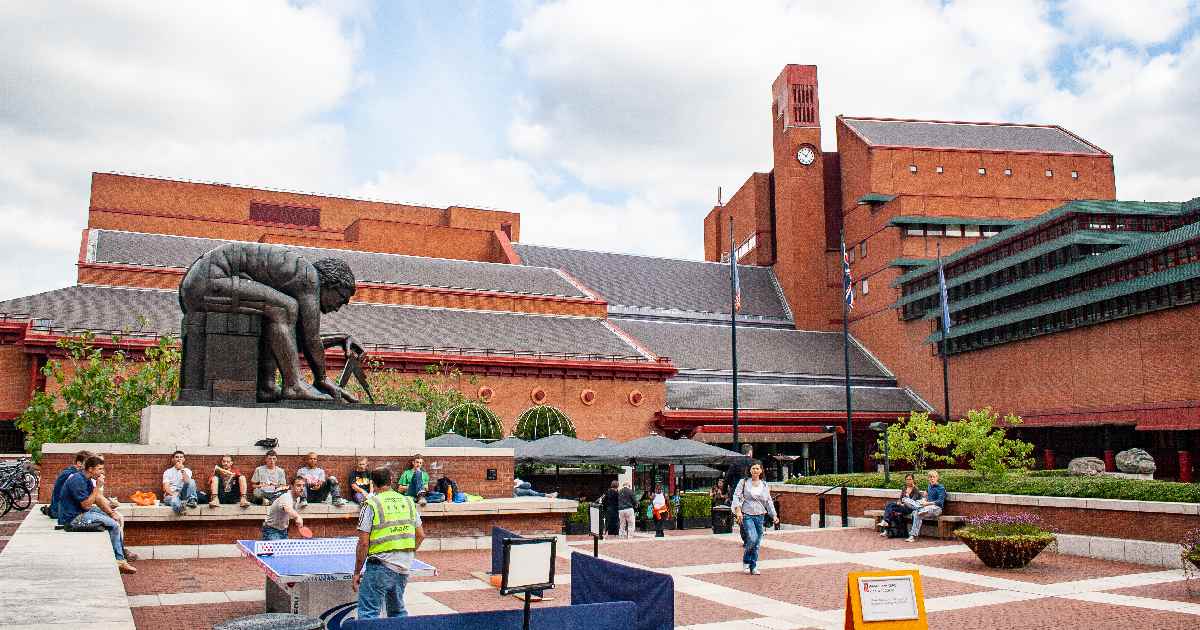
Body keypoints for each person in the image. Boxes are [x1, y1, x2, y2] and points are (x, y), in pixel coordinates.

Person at [177, 242, 361, 403]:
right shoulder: (309, 278)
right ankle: (294, 386)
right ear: (333, 285)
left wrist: (339, 339)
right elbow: (310, 339)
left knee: (277, 312)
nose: (338, 307)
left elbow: (291, 340)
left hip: (199, 284)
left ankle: (266, 386)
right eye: (341, 299)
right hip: (206, 283)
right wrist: (322, 378)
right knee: (285, 308)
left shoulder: (298, 276)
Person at [353, 467, 425, 619]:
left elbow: (363, 544)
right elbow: (420, 535)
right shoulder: (408, 501)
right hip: (404, 566)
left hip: (380, 565)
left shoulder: (371, 504)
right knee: (397, 613)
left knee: (368, 614)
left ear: (373, 483)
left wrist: (357, 572)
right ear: (391, 481)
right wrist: (408, 553)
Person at [58, 455, 137, 574]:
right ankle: (120, 561)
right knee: (114, 526)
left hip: (82, 513)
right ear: (90, 469)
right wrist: (98, 487)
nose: (102, 472)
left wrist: (111, 512)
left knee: (114, 519)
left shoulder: (86, 479)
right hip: (72, 519)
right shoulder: (77, 480)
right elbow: (86, 504)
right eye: (99, 469)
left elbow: (98, 499)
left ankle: (121, 556)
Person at [732, 462, 779, 575]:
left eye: (758, 468)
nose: (755, 470)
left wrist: (774, 515)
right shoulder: (743, 482)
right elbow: (736, 496)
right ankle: (746, 560)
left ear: (761, 471)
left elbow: (768, 501)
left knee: (757, 543)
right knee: (752, 539)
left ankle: (753, 566)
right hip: (747, 514)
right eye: (753, 468)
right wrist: (738, 511)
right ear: (750, 470)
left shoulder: (764, 484)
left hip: (760, 515)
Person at [48, 449, 91, 520]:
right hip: (61, 513)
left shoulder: (74, 473)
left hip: (61, 510)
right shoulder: (71, 475)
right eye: (88, 464)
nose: (90, 467)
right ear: (79, 463)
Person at [262, 476, 307, 540]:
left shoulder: (298, 498)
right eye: (298, 485)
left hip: (283, 531)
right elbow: (288, 509)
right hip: (271, 530)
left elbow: (289, 513)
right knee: (276, 549)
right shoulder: (286, 497)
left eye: (303, 486)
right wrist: (297, 517)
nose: (302, 488)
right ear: (292, 486)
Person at [724, 444, 753, 542]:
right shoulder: (754, 463)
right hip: (751, 493)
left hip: (737, 493)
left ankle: (745, 537)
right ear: (750, 452)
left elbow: (727, 477)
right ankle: (751, 535)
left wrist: (724, 490)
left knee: (740, 515)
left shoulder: (735, 463)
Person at [907, 470, 946, 542]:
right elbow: (927, 496)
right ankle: (913, 536)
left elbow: (939, 502)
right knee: (916, 513)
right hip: (926, 508)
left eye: (934, 477)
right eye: (930, 477)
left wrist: (926, 503)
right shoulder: (929, 487)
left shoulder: (941, 488)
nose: (932, 479)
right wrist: (924, 498)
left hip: (937, 509)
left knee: (925, 509)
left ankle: (921, 510)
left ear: (937, 478)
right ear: (928, 479)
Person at [879, 473, 921, 537]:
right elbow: (900, 498)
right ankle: (886, 526)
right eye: (907, 479)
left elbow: (912, 502)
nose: (908, 481)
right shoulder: (904, 488)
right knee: (890, 506)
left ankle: (886, 525)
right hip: (902, 507)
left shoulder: (916, 490)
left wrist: (904, 502)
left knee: (890, 506)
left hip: (909, 508)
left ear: (913, 480)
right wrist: (899, 502)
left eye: (910, 479)